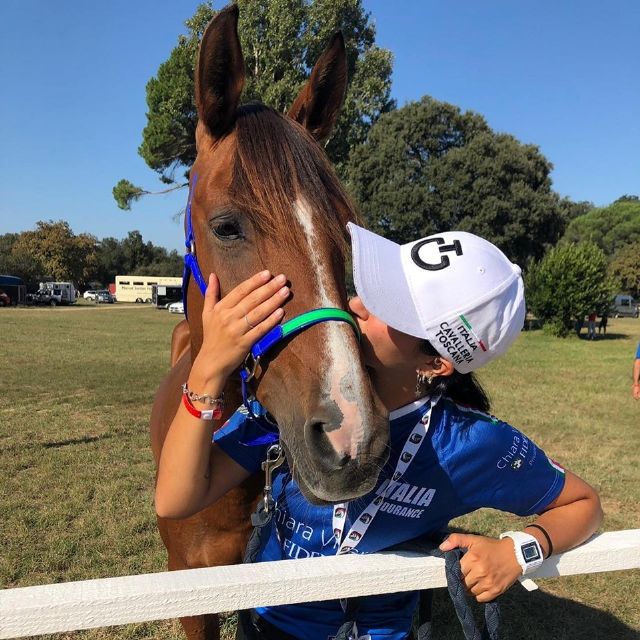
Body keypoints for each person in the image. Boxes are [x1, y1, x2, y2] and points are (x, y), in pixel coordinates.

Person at [156, 224, 603, 640]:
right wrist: (209, 368)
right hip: (269, 625)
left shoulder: (471, 442)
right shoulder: (306, 402)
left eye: (388, 307)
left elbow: (583, 504)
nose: (355, 305)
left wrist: (519, 550)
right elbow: (176, 499)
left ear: (435, 363)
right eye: (372, 290)